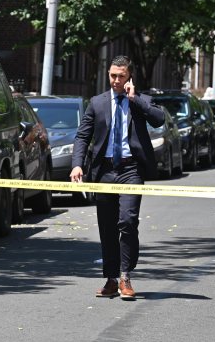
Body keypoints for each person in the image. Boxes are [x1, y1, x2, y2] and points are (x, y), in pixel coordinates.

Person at [70, 55, 165, 300]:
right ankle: (111, 279)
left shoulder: (140, 101)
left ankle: (125, 276)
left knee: (128, 221)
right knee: (107, 226)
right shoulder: (97, 103)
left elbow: (159, 118)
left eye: (121, 76)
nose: (116, 80)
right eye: (113, 75)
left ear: (129, 76)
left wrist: (135, 99)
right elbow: (83, 136)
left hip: (131, 170)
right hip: (104, 172)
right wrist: (77, 165)